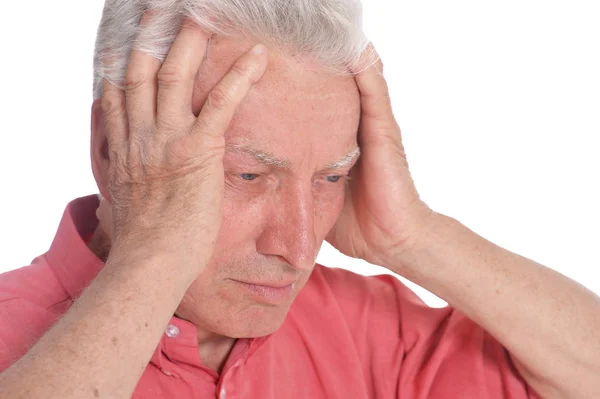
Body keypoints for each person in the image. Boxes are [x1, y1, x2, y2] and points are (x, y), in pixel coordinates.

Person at [0, 0, 598, 398]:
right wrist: (155, 257)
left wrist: (411, 235)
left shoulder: (360, 326)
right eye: (247, 176)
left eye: (330, 178)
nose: (297, 245)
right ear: (112, 149)